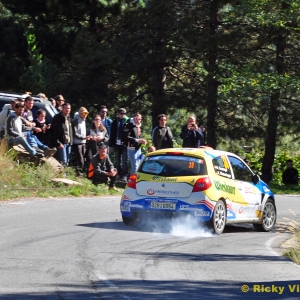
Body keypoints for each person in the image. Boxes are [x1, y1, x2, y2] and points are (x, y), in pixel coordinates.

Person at [109, 108, 129, 182]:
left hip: (125, 144)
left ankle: (125, 175)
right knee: (117, 160)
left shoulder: (128, 121)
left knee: (125, 160)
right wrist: (111, 144)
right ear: (118, 114)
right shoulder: (114, 122)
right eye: (121, 113)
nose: (123, 115)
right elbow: (112, 133)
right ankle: (118, 174)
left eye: (124, 114)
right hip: (117, 143)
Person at [72, 107, 90, 174]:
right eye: (84, 113)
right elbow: (75, 133)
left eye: (86, 114)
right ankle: (79, 173)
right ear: (80, 113)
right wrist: (84, 137)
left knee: (82, 159)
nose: (85, 115)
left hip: (83, 143)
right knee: (80, 160)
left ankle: (78, 172)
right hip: (77, 143)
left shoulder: (84, 120)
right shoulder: (76, 120)